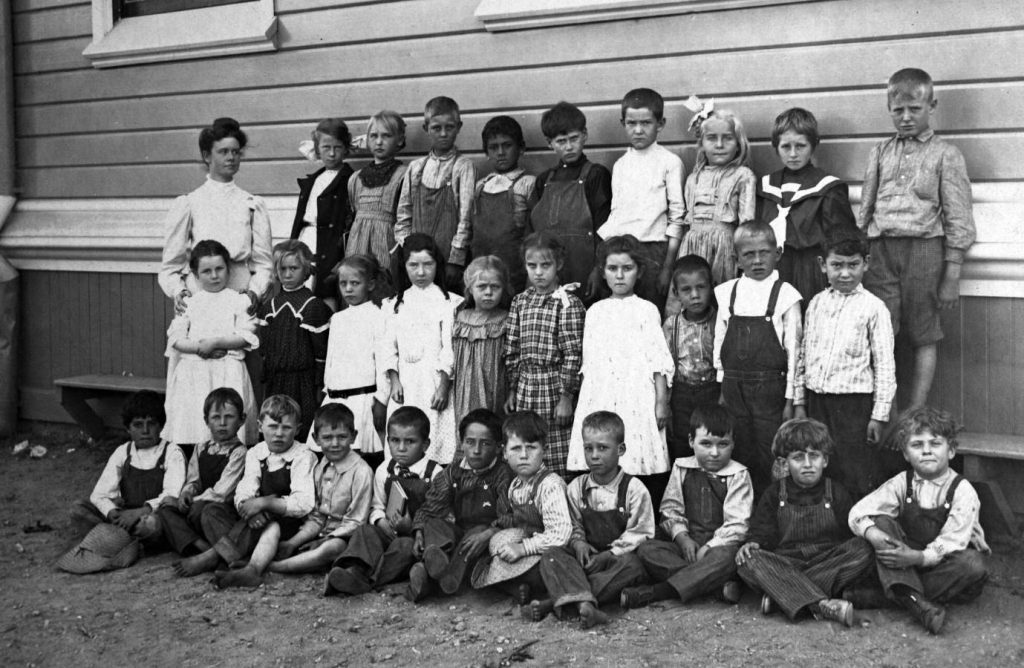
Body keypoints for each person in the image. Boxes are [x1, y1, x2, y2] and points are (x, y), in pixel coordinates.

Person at [859, 68, 975, 410]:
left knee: (923, 332)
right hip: (881, 251)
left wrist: (952, 273)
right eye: (898, 110)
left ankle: (915, 411)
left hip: (924, 251)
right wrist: (861, 251)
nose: (906, 117)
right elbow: (865, 209)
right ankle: (887, 410)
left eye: (915, 109)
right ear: (889, 109)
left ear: (931, 106)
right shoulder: (880, 152)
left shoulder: (946, 154)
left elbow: (958, 216)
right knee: (883, 331)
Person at [848, 406, 989, 634]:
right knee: (881, 522)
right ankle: (916, 602)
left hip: (943, 564)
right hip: (904, 560)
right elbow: (857, 513)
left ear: (951, 451)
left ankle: (889, 596)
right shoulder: (902, 483)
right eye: (916, 445)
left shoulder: (963, 491)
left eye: (935, 444)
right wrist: (873, 534)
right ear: (906, 454)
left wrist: (918, 558)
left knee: (973, 564)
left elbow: (953, 541)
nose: (926, 451)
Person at [471, 412, 608, 629]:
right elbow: (516, 522)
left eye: (531, 448)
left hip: (559, 555)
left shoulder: (549, 485)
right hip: (534, 553)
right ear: (504, 452)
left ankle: (560, 599)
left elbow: (561, 534)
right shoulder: (515, 486)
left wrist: (523, 548)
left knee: (550, 561)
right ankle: (525, 589)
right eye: (516, 449)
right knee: (493, 555)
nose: (524, 455)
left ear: (545, 449)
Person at [735, 418, 875, 627]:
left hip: (826, 561)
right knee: (748, 560)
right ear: (784, 463)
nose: (808, 464)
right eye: (798, 457)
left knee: (864, 548)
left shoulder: (836, 492)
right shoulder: (775, 493)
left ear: (825, 460)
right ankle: (821, 604)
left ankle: (782, 596)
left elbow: (849, 535)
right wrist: (754, 542)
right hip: (787, 562)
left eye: (814, 456)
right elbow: (762, 530)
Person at [567, 236, 674, 505]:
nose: (619, 275)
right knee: (603, 445)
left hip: (637, 393)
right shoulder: (595, 312)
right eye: (612, 268)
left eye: (627, 268)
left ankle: (639, 509)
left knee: (637, 450)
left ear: (639, 272)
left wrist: (661, 402)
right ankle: (603, 509)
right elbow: (590, 364)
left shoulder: (647, 310)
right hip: (603, 391)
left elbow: (658, 361)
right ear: (603, 272)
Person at [172, 395, 316, 581]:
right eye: (273, 426)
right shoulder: (256, 452)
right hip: (254, 520)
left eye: (286, 428)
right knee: (211, 511)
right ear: (260, 426)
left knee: (268, 520)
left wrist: (265, 503)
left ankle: (214, 556)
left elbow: (303, 503)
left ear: (297, 429)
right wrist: (249, 508)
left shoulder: (303, 455)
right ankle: (237, 557)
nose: (279, 433)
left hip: (286, 522)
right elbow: (244, 489)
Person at [621, 405, 752, 609]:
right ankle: (712, 586)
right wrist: (682, 538)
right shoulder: (682, 467)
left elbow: (738, 524)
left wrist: (710, 547)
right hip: (688, 546)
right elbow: (671, 509)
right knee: (648, 549)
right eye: (706, 444)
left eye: (723, 444)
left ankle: (660, 591)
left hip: (719, 547)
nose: (714, 452)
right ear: (691, 441)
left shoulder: (738, 474)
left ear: (733, 443)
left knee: (727, 558)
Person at [794, 235, 896, 498]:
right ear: (823, 265)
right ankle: (823, 517)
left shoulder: (874, 308)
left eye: (853, 265)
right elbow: (803, 356)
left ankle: (854, 518)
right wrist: (800, 401)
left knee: (853, 469)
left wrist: (879, 415)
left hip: (854, 406)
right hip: (817, 402)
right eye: (837, 265)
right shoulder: (816, 304)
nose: (845, 273)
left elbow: (885, 366)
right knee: (818, 463)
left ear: (866, 263)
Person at [713, 222, 802, 493]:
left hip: (770, 390)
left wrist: (791, 400)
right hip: (734, 389)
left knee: (769, 452)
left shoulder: (786, 295)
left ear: (778, 253)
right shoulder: (727, 292)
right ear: (736, 259)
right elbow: (720, 342)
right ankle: (740, 507)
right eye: (749, 254)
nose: (757, 260)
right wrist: (722, 386)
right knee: (739, 450)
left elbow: (795, 352)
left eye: (764, 253)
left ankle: (769, 506)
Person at [324, 406, 443, 596]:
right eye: (395, 441)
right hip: (389, 531)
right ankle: (353, 569)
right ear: (387, 441)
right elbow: (377, 505)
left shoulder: (435, 474)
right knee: (365, 531)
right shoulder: (384, 469)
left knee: (403, 547)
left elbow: (439, 515)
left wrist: (411, 527)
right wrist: (380, 521)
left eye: (410, 442)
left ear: (425, 444)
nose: (401, 448)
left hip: (416, 538)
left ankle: (367, 580)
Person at [159, 117, 273, 314]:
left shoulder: (252, 204)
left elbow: (264, 263)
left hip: (240, 295)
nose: (231, 157)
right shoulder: (189, 203)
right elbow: (170, 266)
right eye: (223, 151)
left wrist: (254, 292)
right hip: (200, 295)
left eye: (235, 152)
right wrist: (179, 292)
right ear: (207, 156)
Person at [406, 409, 513, 601]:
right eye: (470, 442)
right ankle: (436, 565)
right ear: (461, 443)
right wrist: (419, 530)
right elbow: (431, 507)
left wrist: (489, 533)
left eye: (485, 443)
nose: (476, 450)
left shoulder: (503, 474)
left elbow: (508, 515)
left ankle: (436, 578)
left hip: (483, 541)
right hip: (456, 536)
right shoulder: (453, 471)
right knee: (435, 524)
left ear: (499, 447)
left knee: (477, 533)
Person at [162, 239, 260, 447]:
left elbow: (246, 335)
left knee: (228, 416)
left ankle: (232, 457)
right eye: (206, 271)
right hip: (195, 371)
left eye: (219, 269)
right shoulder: (189, 302)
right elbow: (176, 339)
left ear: (228, 269)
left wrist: (216, 342)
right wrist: (200, 348)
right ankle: (196, 458)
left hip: (228, 371)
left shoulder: (239, 300)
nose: (214, 276)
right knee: (195, 421)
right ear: (195, 275)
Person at [504, 233, 586, 478]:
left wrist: (566, 397)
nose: (538, 272)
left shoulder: (568, 303)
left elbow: (572, 354)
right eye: (532, 266)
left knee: (554, 448)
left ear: (558, 264)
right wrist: (513, 388)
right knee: (527, 443)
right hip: (526, 387)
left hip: (554, 388)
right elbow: (512, 349)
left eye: (545, 265)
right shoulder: (520, 302)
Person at [756, 108, 858, 304]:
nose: (793, 154)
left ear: (813, 145)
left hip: (811, 272)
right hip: (773, 269)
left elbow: (842, 242)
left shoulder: (828, 188)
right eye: (786, 147)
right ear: (776, 147)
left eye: (801, 146)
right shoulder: (765, 186)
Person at [599, 88, 684, 309]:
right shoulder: (621, 165)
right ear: (623, 123)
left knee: (650, 311)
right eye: (631, 123)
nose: (638, 130)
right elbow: (616, 213)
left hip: (654, 252)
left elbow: (677, 217)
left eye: (646, 123)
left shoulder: (669, 162)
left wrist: (667, 267)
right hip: (622, 253)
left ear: (660, 124)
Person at [381, 233, 463, 463]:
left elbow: (449, 348)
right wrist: (394, 380)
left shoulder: (448, 303)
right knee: (405, 434)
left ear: (437, 264)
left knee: (436, 437)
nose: (420, 272)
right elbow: (388, 347)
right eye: (413, 265)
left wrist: (444, 386)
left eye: (428, 264)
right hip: (406, 383)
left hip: (434, 382)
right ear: (404, 266)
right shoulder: (394, 305)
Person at [663, 104, 756, 302]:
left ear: (738, 144)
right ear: (702, 143)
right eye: (712, 138)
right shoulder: (693, 178)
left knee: (719, 301)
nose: (719, 145)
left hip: (724, 251)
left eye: (727, 138)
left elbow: (747, 225)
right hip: (691, 249)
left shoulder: (743, 176)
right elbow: (685, 221)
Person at [267, 403, 374, 574]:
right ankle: (293, 557)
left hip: (346, 538)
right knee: (280, 530)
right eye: (327, 438)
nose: (335, 444)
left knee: (333, 548)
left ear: (354, 437)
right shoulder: (319, 467)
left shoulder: (361, 472)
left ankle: (277, 567)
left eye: (342, 437)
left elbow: (355, 523)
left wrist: (322, 541)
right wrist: (292, 543)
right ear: (316, 439)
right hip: (318, 533)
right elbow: (317, 516)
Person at [70, 390, 186, 547]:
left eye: (151, 424)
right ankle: (120, 537)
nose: (145, 431)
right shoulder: (123, 452)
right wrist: (112, 512)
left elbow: (171, 495)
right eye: (138, 425)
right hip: (124, 515)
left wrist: (139, 512)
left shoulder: (172, 452)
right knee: (78, 509)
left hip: (151, 515)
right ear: (128, 428)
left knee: (151, 526)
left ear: (161, 426)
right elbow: (100, 494)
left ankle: (115, 539)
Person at [567, 412, 654, 608]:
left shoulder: (634, 489)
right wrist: (578, 542)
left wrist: (611, 554)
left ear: (620, 449)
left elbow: (640, 532)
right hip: (588, 558)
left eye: (602, 448)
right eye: (588, 448)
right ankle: (582, 595)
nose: (594, 456)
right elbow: (573, 524)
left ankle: (572, 598)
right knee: (555, 556)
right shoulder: (576, 487)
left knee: (633, 567)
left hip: (618, 559)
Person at [531, 101, 612, 302]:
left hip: (586, 269)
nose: (569, 147)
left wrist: (598, 269)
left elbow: (604, 228)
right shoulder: (543, 181)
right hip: (549, 272)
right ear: (549, 143)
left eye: (574, 138)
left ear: (585, 134)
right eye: (561, 141)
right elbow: (532, 232)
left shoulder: (596, 175)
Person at [395, 96, 476, 290]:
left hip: (448, 260)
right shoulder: (416, 168)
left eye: (450, 127)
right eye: (436, 128)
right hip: (417, 262)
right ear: (426, 128)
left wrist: (455, 260)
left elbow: (466, 217)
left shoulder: (463, 166)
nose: (443, 133)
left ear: (459, 127)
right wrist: (409, 251)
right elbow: (403, 214)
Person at [160, 388, 247, 559]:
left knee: (206, 510)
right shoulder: (200, 448)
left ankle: (224, 553)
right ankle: (202, 546)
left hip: (222, 511)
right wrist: (186, 493)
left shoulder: (239, 452)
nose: (222, 423)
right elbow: (194, 480)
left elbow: (221, 494)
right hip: (198, 507)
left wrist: (193, 501)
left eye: (229, 417)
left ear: (241, 420)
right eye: (216, 417)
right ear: (206, 420)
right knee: (165, 509)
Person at [258, 240, 331, 443]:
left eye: (293, 268)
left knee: (300, 426)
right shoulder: (270, 306)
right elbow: (265, 348)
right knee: (274, 423)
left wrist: (318, 384)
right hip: (276, 379)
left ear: (306, 270)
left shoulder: (313, 306)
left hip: (303, 381)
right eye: (282, 269)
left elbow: (321, 351)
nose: (288, 274)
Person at [322, 254, 388, 468]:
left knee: (361, 457)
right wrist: (327, 390)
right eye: (343, 284)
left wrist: (381, 399)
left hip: (363, 399)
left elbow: (383, 360)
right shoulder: (338, 318)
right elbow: (332, 359)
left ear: (370, 285)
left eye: (355, 283)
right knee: (334, 453)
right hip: (336, 398)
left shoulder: (378, 317)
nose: (348, 289)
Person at [291, 118, 354, 306]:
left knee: (325, 292)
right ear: (317, 149)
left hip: (329, 244)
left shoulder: (349, 180)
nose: (332, 153)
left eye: (338, 147)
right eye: (326, 147)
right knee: (300, 289)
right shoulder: (313, 180)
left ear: (346, 148)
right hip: (306, 239)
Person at [662, 255, 719, 460]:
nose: (695, 295)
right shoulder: (672, 325)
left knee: (713, 439)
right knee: (682, 443)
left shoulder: (720, 321)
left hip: (713, 393)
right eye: (686, 290)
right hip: (682, 395)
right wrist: (666, 403)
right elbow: (665, 367)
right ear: (676, 293)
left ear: (712, 287)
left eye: (701, 287)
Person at [471, 115, 536, 293]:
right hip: (482, 270)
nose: (500, 152)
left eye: (507, 145)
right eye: (493, 147)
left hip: (515, 270)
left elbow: (535, 232)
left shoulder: (528, 183)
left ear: (521, 148)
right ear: (486, 152)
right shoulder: (479, 186)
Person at [347, 110, 409, 296]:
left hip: (386, 244)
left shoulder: (404, 175)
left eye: (386, 136)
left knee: (384, 291)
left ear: (399, 139)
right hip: (357, 244)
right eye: (374, 136)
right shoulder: (355, 178)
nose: (379, 142)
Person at [453, 256, 511, 424]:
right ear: (470, 288)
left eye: (495, 287)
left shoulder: (506, 320)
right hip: (464, 389)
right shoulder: (459, 318)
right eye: (481, 286)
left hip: (495, 387)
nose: (488, 292)